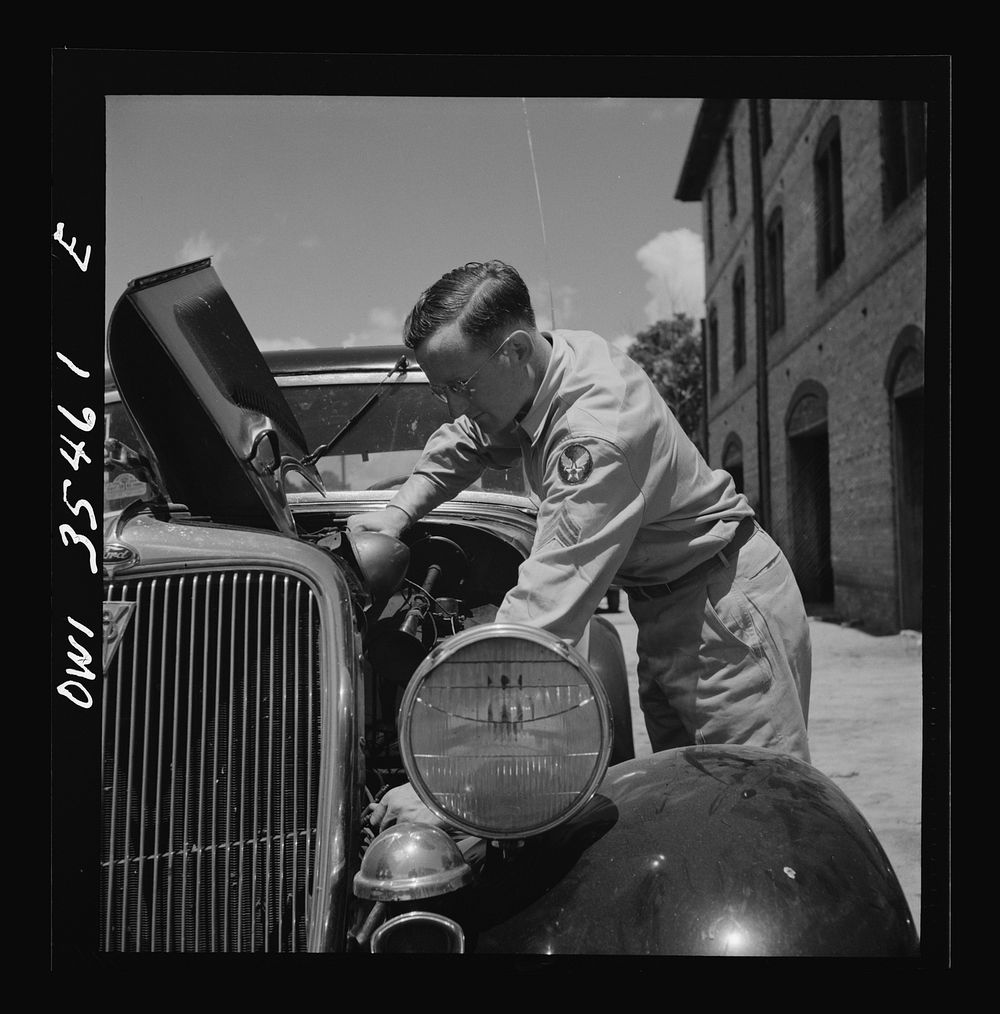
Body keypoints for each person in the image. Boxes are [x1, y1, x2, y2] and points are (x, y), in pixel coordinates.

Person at [351, 259, 812, 833]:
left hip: (723, 612)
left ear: (516, 350)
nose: (454, 406)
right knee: (694, 809)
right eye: (441, 389)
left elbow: (541, 622)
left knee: (754, 816)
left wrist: (443, 785)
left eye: (461, 387)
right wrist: (392, 517)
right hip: (671, 607)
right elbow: (468, 439)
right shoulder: (544, 365)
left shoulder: (595, 435)